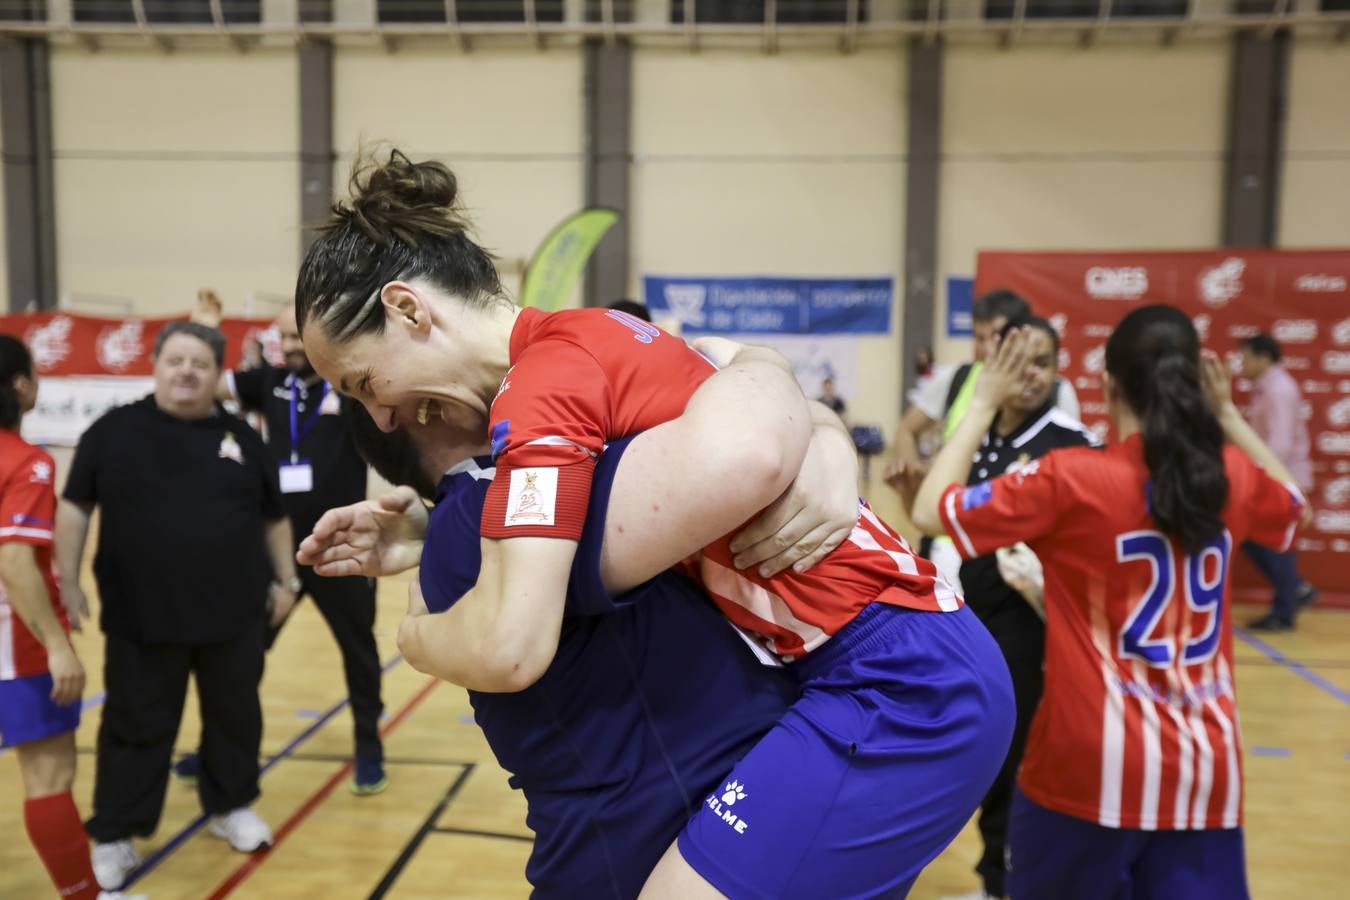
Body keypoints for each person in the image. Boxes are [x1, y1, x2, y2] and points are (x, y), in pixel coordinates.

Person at [293, 149, 1014, 897]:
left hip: (897, 682)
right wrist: (821, 427)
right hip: (891, 660)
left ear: (409, 308)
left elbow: (512, 645)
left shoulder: (541, 389)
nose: (380, 415)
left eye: (364, 382)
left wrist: (417, 634)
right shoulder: (592, 332)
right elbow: (737, 372)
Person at [315, 341, 859, 893]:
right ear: (425, 411)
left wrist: (830, 438)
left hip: (655, 834)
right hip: (657, 841)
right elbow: (739, 449)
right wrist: (770, 371)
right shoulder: (504, 510)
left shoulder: (471, 523)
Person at [912, 306, 1307, 899]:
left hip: (1087, 763)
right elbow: (1293, 503)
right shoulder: (1229, 478)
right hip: (1204, 767)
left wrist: (985, 400)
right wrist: (1227, 417)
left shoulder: (1073, 478)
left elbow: (929, 508)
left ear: (1107, 383)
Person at [55, 322, 299, 891]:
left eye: (199, 363)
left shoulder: (245, 438)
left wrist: (287, 581)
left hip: (234, 614)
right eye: (175, 360)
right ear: (157, 365)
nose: (186, 371)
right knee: (135, 726)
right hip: (141, 617)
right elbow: (74, 509)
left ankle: (231, 806)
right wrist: (66, 581)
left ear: (217, 376)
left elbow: (274, 517)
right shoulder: (112, 432)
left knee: (235, 719)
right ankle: (117, 833)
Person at [914, 314, 1098, 900]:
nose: (1030, 374)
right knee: (989, 756)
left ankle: (1010, 882)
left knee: (1020, 762)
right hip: (978, 622)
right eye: (1018, 359)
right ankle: (997, 879)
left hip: (1038, 630)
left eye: (1042, 361)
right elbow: (944, 519)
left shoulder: (1070, 442)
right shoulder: (980, 435)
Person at [195, 299, 387, 794]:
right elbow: (207, 384)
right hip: (277, 549)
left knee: (358, 653)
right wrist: (209, 331)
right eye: (284, 338)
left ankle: (369, 749)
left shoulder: (350, 388)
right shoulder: (269, 384)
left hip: (340, 549)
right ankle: (214, 749)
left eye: (300, 338)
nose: (291, 347)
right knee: (243, 650)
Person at [0, 336, 141, 900]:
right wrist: (57, 645)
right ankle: (84, 895)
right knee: (48, 779)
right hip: (16, 645)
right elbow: (13, 560)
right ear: (20, 386)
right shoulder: (25, 462)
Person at [884, 290, 1079, 592]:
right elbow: (908, 435)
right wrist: (912, 472)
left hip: (1012, 559)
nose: (987, 349)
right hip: (946, 537)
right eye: (980, 338)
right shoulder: (958, 379)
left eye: (995, 338)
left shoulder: (1059, 409)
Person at [1236, 332, 1317, 630]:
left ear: (1263, 357)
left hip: (1280, 476)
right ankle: (1294, 591)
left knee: (1273, 540)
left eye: (1245, 358)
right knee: (1260, 537)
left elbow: (1280, 443)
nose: (1241, 365)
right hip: (1273, 474)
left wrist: (1261, 476)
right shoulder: (1266, 388)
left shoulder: (1278, 390)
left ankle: (1287, 604)